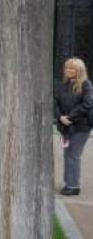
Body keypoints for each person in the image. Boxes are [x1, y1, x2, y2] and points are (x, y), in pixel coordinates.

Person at [55, 57, 93, 196]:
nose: (69, 70)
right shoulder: (62, 85)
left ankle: (73, 186)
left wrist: (70, 117)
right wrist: (60, 117)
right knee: (67, 154)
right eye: (67, 68)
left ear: (79, 70)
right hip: (66, 126)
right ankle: (70, 184)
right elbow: (55, 103)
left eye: (72, 68)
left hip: (81, 126)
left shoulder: (86, 85)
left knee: (73, 155)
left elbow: (87, 104)